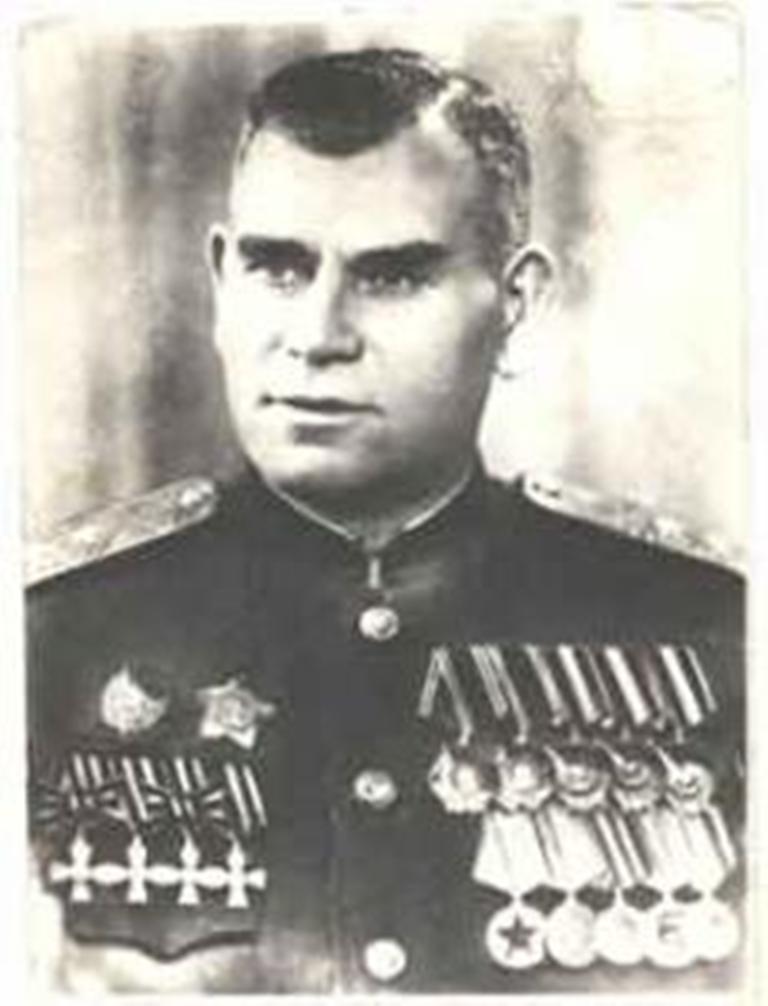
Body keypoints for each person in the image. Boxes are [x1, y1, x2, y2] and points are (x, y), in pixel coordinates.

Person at [26, 48, 745, 994]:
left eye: (394, 277)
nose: (318, 336)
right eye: (276, 267)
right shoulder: (48, 631)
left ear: (517, 302)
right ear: (221, 281)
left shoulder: (711, 625)